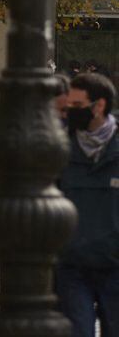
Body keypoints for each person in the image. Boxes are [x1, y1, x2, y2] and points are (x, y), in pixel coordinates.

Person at [56, 72, 118, 337]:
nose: (70, 113)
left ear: (99, 105)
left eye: (78, 107)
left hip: (115, 266)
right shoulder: (60, 148)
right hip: (72, 267)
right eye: (68, 106)